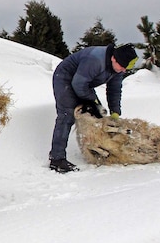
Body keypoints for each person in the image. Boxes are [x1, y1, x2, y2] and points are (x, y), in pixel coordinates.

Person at [48, 43, 138, 173]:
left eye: (126, 68)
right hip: (65, 78)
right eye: (122, 67)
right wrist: (93, 101)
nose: (124, 70)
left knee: (98, 115)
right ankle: (57, 159)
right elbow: (78, 84)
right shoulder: (95, 59)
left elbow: (114, 90)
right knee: (67, 115)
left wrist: (115, 112)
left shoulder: (118, 67)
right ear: (113, 58)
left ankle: (98, 148)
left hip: (83, 83)